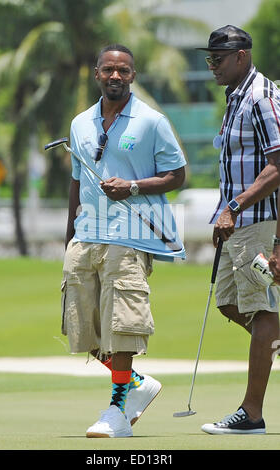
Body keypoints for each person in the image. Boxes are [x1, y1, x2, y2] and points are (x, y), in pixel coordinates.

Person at [61, 44, 186, 438]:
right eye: (109, 70)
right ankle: (135, 383)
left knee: (122, 326)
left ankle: (117, 411)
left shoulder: (152, 121)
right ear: (97, 73)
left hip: (130, 235)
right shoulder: (80, 122)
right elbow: (76, 182)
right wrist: (69, 236)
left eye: (124, 71)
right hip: (87, 235)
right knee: (82, 328)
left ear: (133, 76)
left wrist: (132, 186)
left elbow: (177, 175)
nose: (116, 76)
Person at [197, 25, 280, 434]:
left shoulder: (261, 96)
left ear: (242, 56)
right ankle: (274, 341)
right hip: (237, 227)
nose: (212, 65)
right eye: (209, 58)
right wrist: (222, 214)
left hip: (260, 225)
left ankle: (252, 414)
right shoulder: (236, 97)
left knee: (263, 310)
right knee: (229, 303)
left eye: (219, 58)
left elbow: (279, 166)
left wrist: (233, 207)